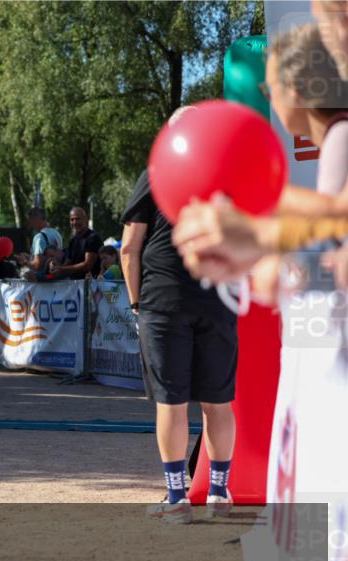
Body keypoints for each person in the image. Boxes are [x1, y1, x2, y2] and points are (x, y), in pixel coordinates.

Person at [173, 21, 348, 288]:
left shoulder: (341, 136)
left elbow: (336, 225)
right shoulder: (338, 137)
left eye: (269, 90)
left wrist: (256, 229)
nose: (272, 103)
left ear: (296, 91)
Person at [121, 130, 239, 524]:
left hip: (164, 299)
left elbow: (128, 247)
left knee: (170, 401)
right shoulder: (228, 175)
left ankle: (177, 496)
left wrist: (137, 303)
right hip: (217, 296)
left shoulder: (156, 173)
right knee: (217, 401)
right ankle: (220, 492)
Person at [51, 207, 102, 279]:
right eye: (72, 219)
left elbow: (87, 265)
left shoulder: (93, 238)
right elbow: (68, 262)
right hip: (74, 286)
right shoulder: (73, 240)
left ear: (85, 219)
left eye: (77, 219)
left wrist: (62, 269)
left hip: (91, 286)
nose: (75, 222)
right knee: (45, 277)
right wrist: (56, 267)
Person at [18, 207, 63, 277]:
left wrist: (24, 261)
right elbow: (46, 257)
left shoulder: (39, 237)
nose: (30, 224)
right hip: (54, 278)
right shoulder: (56, 233)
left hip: (42, 283)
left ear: (35, 219)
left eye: (30, 220)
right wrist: (30, 257)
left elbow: (37, 265)